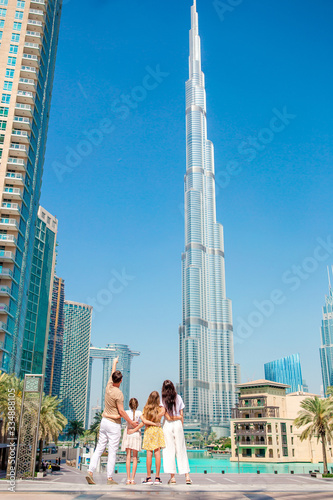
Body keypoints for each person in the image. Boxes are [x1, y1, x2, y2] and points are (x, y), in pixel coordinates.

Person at [85, 356, 137, 486]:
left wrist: (114, 362)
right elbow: (121, 412)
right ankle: (109, 478)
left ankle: (90, 471)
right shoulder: (119, 394)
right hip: (113, 424)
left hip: (104, 421)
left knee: (99, 449)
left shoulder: (108, 386)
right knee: (112, 451)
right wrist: (131, 422)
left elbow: (112, 373)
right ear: (120, 381)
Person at [128, 391, 165, 485]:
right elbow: (164, 412)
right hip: (157, 430)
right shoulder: (160, 409)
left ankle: (148, 478)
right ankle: (157, 477)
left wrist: (134, 430)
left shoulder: (146, 409)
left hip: (149, 431)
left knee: (149, 454)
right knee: (157, 453)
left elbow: (144, 422)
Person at [161, 380, 192, 485]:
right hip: (178, 424)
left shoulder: (162, 399)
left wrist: (174, 417)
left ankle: (172, 477)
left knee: (169, 450)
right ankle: (187, 476)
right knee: (181, 449)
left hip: (168, 425)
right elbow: (181, 415)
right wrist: (179, 420)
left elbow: (168, 417)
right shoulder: (178, 397)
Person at [120, 398, 142, 484]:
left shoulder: (127, 412)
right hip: (136, 433)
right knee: (135, 457)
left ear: (129, 405)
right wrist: (136, 429)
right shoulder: (139, 413)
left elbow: (120, 415)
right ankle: (133, 479)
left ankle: (128, 478)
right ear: (137, 405)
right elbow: (143, 421)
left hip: (128, 433)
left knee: (128, 457)